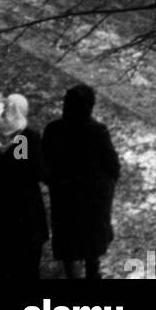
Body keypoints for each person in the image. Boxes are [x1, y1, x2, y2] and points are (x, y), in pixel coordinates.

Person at [43, 84, 121, 281]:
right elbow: (112, 163)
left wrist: (54, 181)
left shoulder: (53, 129)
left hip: (64, 193)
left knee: (68, 238)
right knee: (91, 238)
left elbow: (44, 160)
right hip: (91, 196)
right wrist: (108, 183)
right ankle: (93, 273)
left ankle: (72, 274)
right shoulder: (97, 131)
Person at [0, 94, 47, 280]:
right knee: (26, 263)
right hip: (24, 208)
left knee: (1, 260)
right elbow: (26, 169)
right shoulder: (23, 136)